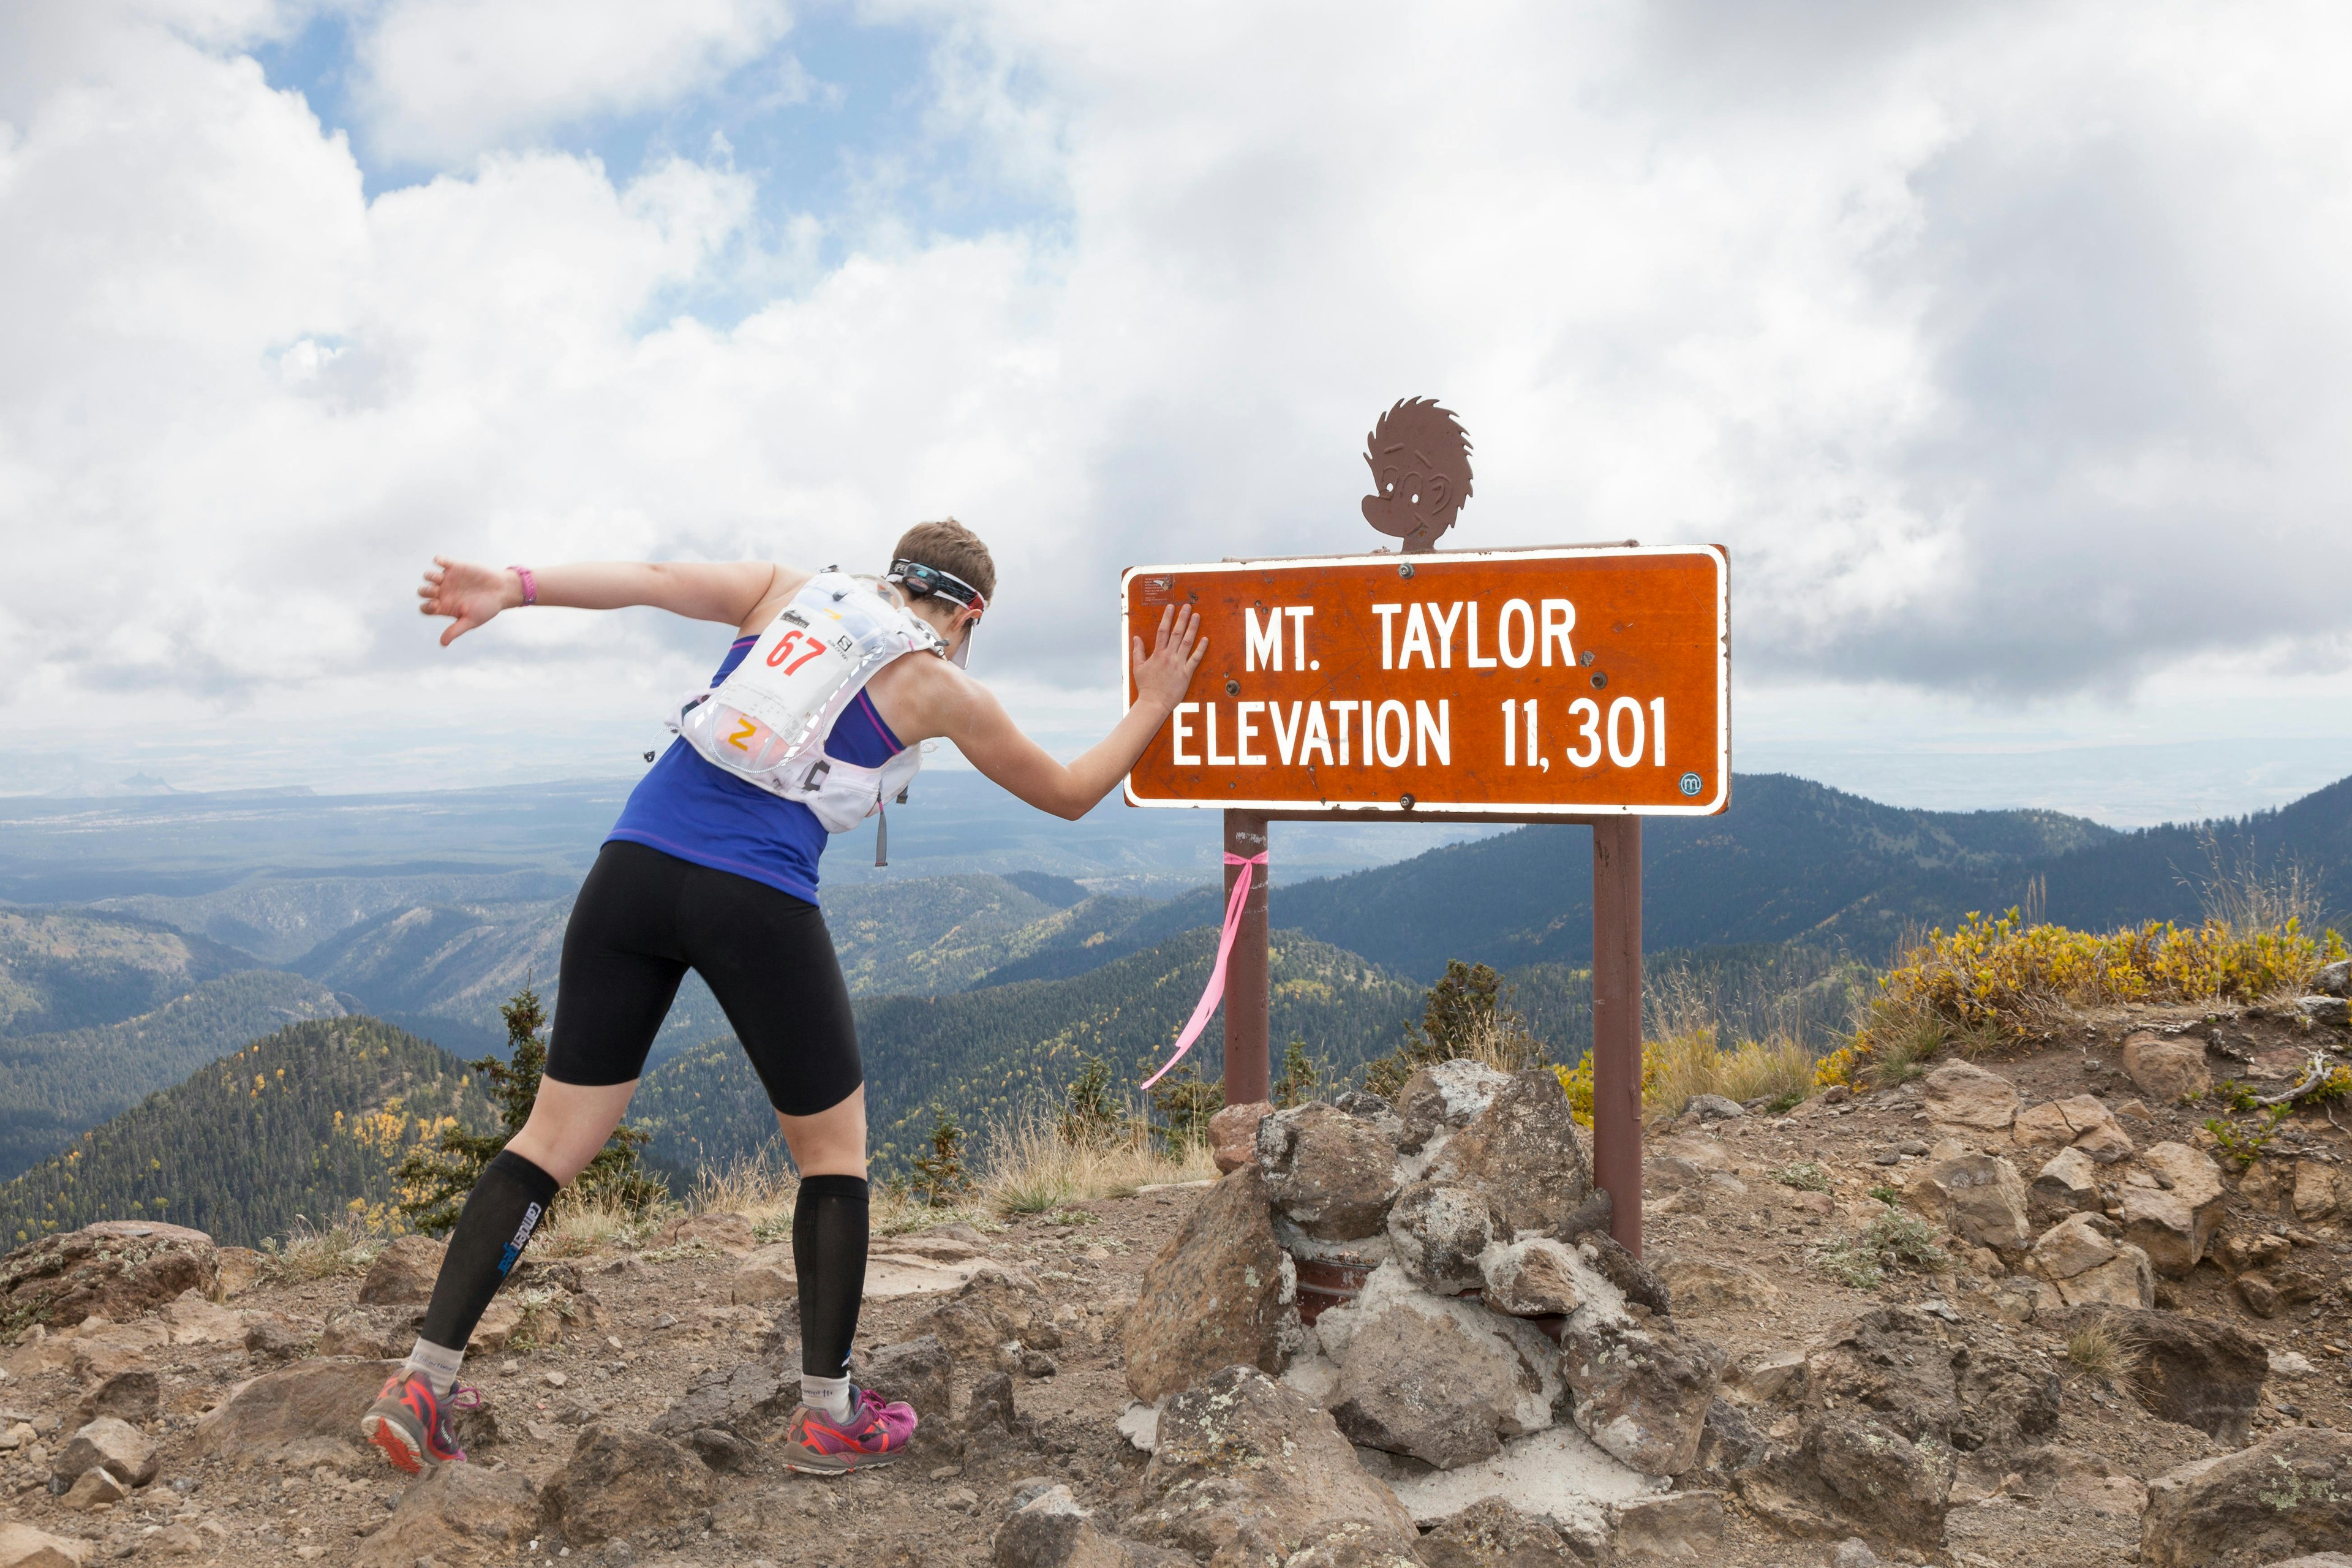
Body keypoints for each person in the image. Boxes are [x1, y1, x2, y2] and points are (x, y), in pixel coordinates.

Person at [360, 520, 1205, 1476]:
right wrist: (1158, 703)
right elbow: (1067, 791)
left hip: (628, 871)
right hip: (752, 896)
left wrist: (514, 584)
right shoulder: (938, 683)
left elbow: (649, 578)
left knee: (548, 1142)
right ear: (969, 615)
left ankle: (424, 1381)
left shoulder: (787, 590)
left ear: (892, 573)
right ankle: (829, 1414)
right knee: (833, 1156)